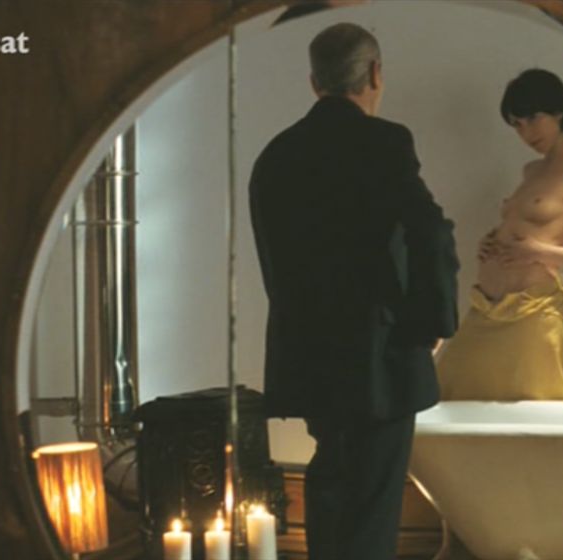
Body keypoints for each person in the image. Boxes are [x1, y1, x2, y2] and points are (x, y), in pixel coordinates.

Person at [248, 23, 459, 560]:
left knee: (331, 488)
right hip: (380, 355)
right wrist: (432, 321)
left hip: (310, 356)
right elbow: (430, 232)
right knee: (373, 503)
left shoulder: (276, 155)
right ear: (375, 73)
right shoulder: (384, 142)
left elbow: (276, 263)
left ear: (314, 81)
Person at [435, 69, 563, 408]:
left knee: (535, 416)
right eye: (516, 124)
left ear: (560, 112)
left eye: (532, 118)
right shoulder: (532, 171)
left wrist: (542, 252)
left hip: (535, 312)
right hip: (485, 306)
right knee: (448, 404)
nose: (525, 132)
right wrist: (494, 241)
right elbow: (528, 226)